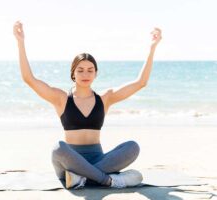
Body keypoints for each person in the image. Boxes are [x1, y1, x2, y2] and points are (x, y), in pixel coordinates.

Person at [13, 21, 162, 189]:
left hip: (98, 160)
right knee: (58, 148)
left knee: (132, 147)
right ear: (73, 74)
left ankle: (81, 179)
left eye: (90, 70)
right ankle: (107, 180)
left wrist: (152, 48)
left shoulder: (105, 98)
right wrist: (20, 42)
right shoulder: (61, 98)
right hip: (69, 162)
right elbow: (29, 79)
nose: (86, 74)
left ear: (96, 74)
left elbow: (141, 82)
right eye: (80, 70)